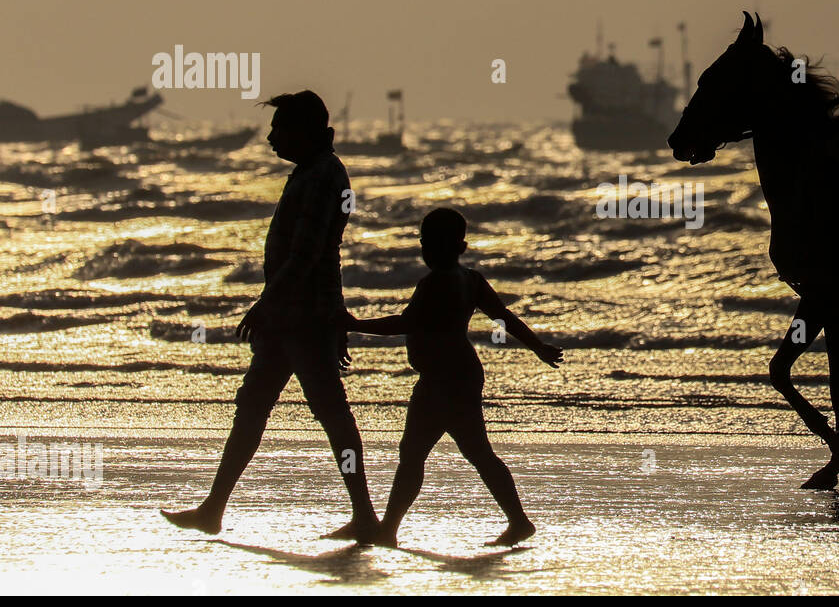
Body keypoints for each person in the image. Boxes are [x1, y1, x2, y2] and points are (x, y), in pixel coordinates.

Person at [162, 90, 380, 541]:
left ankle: (365, 514)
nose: (270, 138)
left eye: (280, 129)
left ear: (306, 132)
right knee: (255, 408)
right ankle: (214, 507)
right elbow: (317, 257)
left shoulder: (323, 176)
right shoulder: (312, 172)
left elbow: (307, 256)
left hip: (303, 317)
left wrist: (268, 303)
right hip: (292, 317)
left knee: (330, 413)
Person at [346, 208, 563, 547]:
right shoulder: (471, 279)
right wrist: (537, 346)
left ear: (459, 247)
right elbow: (502, 316)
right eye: (426, 244)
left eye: (436, 245)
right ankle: (518, 521)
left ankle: (388, 529)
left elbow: (405, 323)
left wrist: (354, 324)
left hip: (443, 379)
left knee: (418, 452)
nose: (429, 251)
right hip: (460, 374)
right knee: (472, 451)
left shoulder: (435, 283)